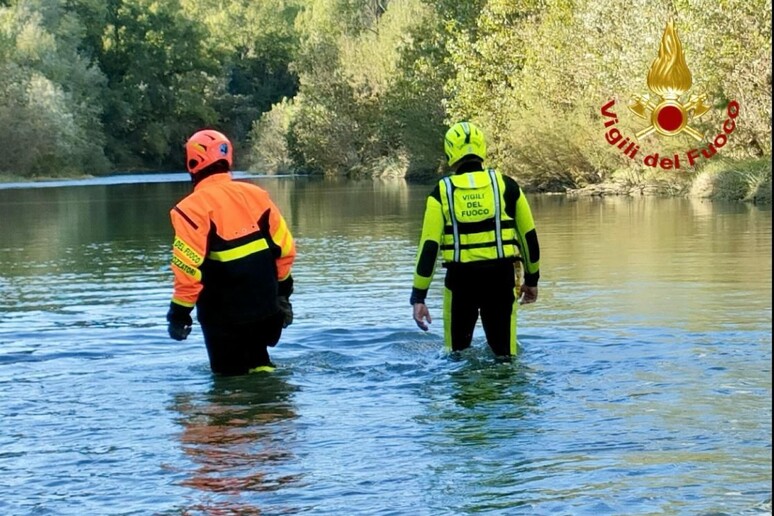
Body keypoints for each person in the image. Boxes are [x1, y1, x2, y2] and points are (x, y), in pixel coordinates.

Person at [166, 129, 296, 375]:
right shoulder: (258, 196)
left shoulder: (190, 210)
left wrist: (179, 315)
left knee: (229, 390)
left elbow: (187, 270)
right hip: (266, 311)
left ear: (192, 162)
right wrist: (284, 294)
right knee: (261, 367)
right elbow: (285, 250)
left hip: (224, 319)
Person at [410, 121, 540, 357]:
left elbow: (428, 248)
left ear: (450, 151)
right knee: (505, 357)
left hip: (460, 282)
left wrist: (419, 296)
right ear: (482, 148)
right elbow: (529, 237)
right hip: (500, 280)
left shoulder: (441, 192)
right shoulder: (507, 186)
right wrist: (532, 279)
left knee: (455, 357)